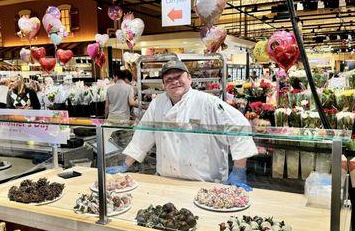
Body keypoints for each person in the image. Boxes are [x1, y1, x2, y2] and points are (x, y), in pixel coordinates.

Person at [106, 61, 257, 187]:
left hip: (205, 182)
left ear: (190, 79)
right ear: (164, 85)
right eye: (168, 79)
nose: (174, 82)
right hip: (166, 180)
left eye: (178, 77)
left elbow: (239, 126)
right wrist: (125, 164)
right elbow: (142, 136)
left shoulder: (207, 102)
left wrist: (238, 170)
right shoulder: (157, 104)